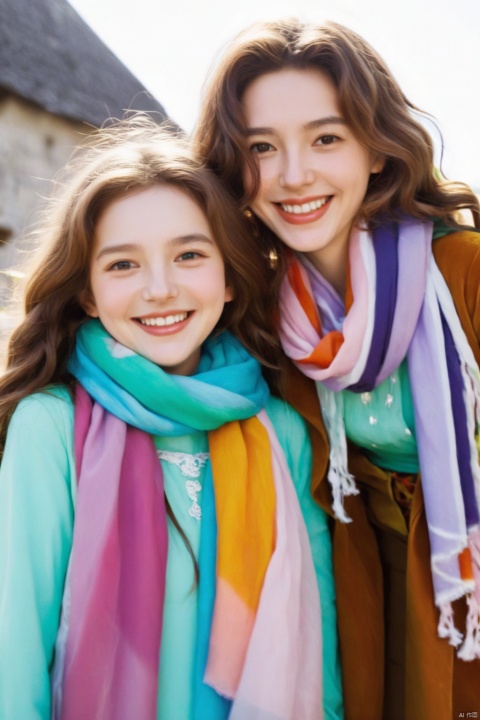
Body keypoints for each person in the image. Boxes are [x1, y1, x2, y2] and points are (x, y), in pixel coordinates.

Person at [0, 119, 343, 720]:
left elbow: (318, 652)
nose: (160, 288)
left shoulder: (282, 431)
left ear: (231, 277)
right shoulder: (50, 425)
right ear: (87, 293)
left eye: (189, 255)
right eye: (122, 265)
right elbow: (14, 645)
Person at [193, 18, 480, 720]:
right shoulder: (257, 308)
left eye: (326, 138)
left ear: (377, 151)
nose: (294, 176)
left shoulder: (464, 269)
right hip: (361, 593)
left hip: (457, 581)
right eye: (262, 147)